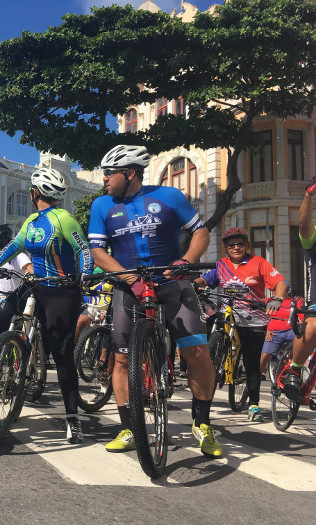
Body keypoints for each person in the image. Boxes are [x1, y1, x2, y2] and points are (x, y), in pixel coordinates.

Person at [88, 144, 222, 457]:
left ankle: (201, 423)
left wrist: (186, 260)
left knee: (198, 352)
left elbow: (200, 233)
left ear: (129, 173)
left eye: (110, 173)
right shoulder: (101, 206)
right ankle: (129, 427)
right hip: (128, 283)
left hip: (172, 282)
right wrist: (129, 278)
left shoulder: (169, 196)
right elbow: (98, 252)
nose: (105, 179)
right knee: (121, 359)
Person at [0, 167, 93, 444]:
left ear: (35, 193)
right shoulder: (31, 221)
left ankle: (72, 418)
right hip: (34, 286)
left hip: (61, 290)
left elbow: (83, 250)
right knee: (4, 310)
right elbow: (16, 245)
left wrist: (86, 272)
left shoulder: (64, 219)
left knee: (62, 352)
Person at [195, 227, 287, 422]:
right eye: (231, 245)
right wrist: (194, 285)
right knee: (208, 340)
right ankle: (217, 360)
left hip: (254, 319)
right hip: (228, 316)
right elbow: (204, 280)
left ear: (246, 245)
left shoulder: (258, 262)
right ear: (226, 249)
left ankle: (253, 404)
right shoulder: (221, 265)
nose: (236, 247)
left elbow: (280, 282)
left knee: (252, 362)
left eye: (240, 244)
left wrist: (277, 298)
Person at [283, 174, 316, 401]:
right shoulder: (312, 239)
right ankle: (294, 368)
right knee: (313, 326)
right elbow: (303, 224)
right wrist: (308, 194)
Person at [0, 224, 32, 340]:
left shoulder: (19, 256)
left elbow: (31, 271)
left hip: (10, 299)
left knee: (8, 334)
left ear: (3, 241)